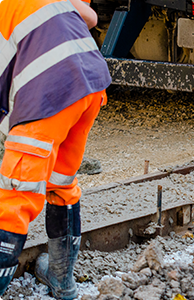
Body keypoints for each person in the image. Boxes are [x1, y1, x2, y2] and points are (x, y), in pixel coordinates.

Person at [0, 0, 111, 298]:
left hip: (49, 88)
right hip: (89, 81)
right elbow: (88, 16)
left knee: (14, 195)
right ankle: (62, 281)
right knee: (61, 181)